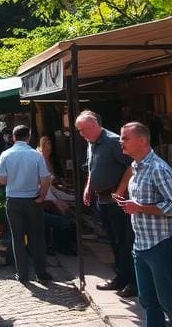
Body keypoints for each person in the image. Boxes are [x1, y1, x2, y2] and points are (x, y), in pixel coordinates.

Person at [76, 110, 136, 297]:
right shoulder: (91, 143)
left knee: (125, 241)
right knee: (113, 240)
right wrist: (89, 186)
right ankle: (120, 277)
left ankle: (133, 282)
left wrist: (119, 190)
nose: (80, 134)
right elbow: (92, 167)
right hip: (102, 198)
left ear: (93, 126)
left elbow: (132, 165)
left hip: (117, 200)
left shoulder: (113, 141)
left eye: (82, 129)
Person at [118, 121, 172, 325]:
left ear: (142, 141)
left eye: (125, 138)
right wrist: (132, 206)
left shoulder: (158, 168)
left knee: (168, 301)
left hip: (161, 245)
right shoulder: (135, 168)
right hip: (140, 245)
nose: (121, 142)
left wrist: (139, 207)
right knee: (148, 301)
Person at [0, 125, 52, 285]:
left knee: (17, 237)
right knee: (37, 237)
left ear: (13, 137)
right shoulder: (36, 155)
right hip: (33, 199)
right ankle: (41, 273)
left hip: (13, 199)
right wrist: (42, 196)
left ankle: (22, 273)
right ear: (29, 137)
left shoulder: (5, 154)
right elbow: (46, 179)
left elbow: (2, 179)